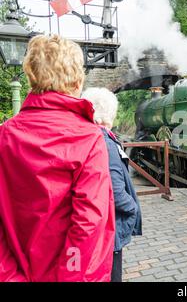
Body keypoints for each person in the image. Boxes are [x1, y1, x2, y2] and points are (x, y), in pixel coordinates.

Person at [0, 35, 115, 282]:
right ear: (77, 79)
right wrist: (70, 274)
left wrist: (10, 275)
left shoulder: (4, 135)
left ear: (31, 75)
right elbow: (88, 223)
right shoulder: (88, 139)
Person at [81, 87, 143, 283]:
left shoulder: (89, 136)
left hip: (95, 225)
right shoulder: (106, 142)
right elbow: (115, 190)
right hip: (110, 226)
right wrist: (132, 207)